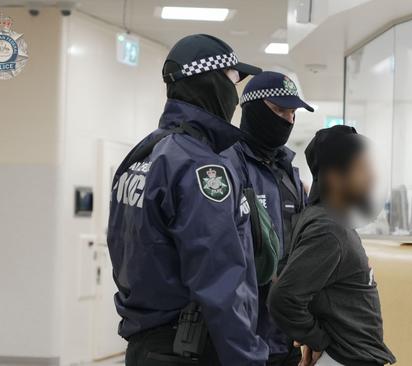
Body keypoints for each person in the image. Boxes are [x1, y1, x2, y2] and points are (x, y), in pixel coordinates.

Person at [107, 34, 268, 366]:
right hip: (190, 348)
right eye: (232, 81)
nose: (235, 97)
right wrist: (249, 359)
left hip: (145, 345)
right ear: (210, 82)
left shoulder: (144, 154)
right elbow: (219, 283)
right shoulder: (201, 167)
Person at [268, 126, 396, 366]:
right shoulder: (329, 229)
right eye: (363, 168)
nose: (373, 177)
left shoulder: (330, 221)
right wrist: (318, 340)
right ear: (335, 177)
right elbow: (284, 298)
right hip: (346, 358)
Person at [222, 71, 313, 365]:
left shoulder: (290, 174)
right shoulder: (227, 165)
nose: (287, 119)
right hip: (243, 340)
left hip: (285, 337)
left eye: (292, 112)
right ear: (252, 109)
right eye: (278, 109)